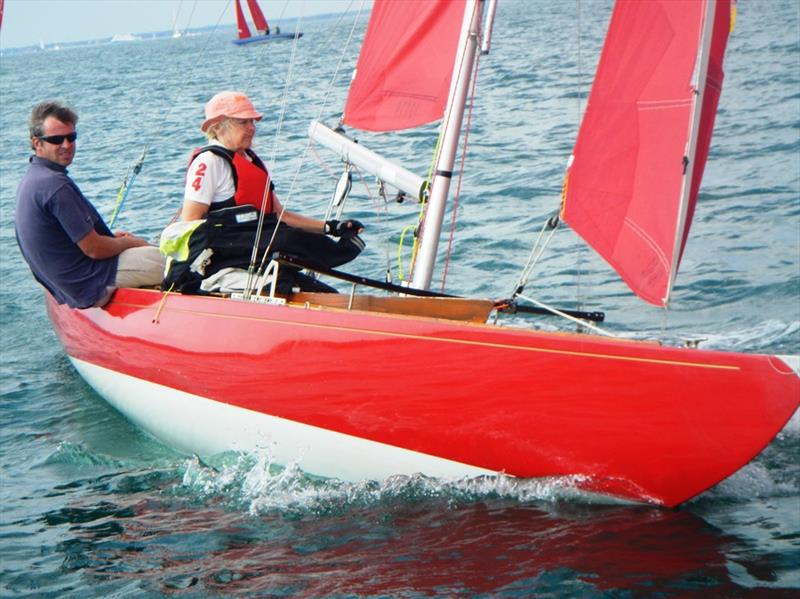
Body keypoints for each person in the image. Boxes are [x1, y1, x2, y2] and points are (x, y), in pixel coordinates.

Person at [166, 90, 364, 293]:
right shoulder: (209, 162)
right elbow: (190, 222)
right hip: (229, 258)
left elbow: (280, 215)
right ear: (219, 127)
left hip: (261, 249)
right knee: (287, 241)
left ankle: (342, 252)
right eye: (244, 122)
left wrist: (332, 227)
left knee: (321, 283)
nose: (252, 128)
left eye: (253, 122)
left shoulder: (250, 160)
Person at [15, 101, 165, 309]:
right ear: (37, 143)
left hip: (67, 282)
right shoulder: (55, 185)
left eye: (71, 137)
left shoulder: (33, 178)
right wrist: (130, 242)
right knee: (170, 260)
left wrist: (113, 240)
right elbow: (95, 250)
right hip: (89, 282)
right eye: (57, 139)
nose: (66, 145)